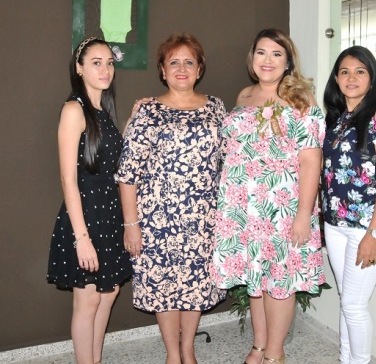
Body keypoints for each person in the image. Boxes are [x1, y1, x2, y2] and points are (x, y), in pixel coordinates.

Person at [212, 28, 326, 364]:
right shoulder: (244, 95)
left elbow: (310, 160)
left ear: (288, 62)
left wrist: (304, 214)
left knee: (280, 281)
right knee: (256, 279)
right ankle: (259, 346)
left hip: (282, 206)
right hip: (244, 207)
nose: (268, 60)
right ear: (252, 58)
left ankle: (275, 353)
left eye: (277, 54)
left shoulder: (301, 101)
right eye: (262, 52)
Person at [115, 33, 226, 364]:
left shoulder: (217, 107)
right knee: (164, 291)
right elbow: (127, 173)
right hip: (157, 220)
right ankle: (172, 354)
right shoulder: (148, 109)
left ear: (199, 69)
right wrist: (131, 225)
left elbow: (232, 161)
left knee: (195, 287)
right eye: (173, 62)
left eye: (188, 62)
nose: (181, 68)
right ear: (162, 70)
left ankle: (188, 349)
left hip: (204, 218)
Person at [321, 45, 376, 364]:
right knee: (348, 301)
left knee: (355, 306)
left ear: (372, 78)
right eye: (344, 71)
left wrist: (373, 235)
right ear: (336, 78)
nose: (351, 77)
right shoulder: (338, 118)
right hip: (335, 226)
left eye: (360, 71)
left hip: (369, 228)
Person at [47, 37, 132, 364]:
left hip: (108, 216)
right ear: (79, 68)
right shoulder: (74, 109)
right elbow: (68, 178)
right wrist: (81, 238)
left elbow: (110, 160)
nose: (106, 68)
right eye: (96, 62)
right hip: (84, 218)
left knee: (109, 293)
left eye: (110, 62)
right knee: (87, 302)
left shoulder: (102, 111)